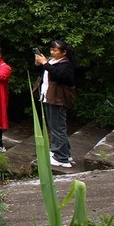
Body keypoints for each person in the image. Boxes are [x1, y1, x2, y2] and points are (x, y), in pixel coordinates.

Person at [34, 39, 77, 168]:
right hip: (49, 97)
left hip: (58, 99)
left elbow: (58, 75)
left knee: (58, 128)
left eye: (55, 50)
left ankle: (62, 159)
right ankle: (64, 153)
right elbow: (46, 73)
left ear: (63, 52)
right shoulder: (52, 61)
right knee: (54, 127)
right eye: (51, 50)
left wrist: (45, 63)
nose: (52, 52)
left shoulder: (66, 64)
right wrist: (38, 64)